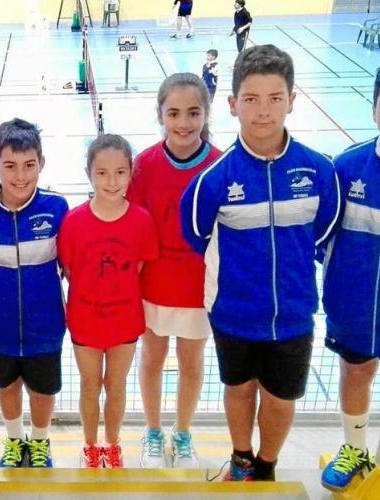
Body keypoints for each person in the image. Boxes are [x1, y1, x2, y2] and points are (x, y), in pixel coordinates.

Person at [180, 45, 341, 481]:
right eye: (251, 99)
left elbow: (323, 231)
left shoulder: (319, 171)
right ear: (233, 105)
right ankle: (241, 459)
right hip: (232, 313)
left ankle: (266, 468)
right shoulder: (212, 181)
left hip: (294, 315)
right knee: (238, 389)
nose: (264, 110)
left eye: (275, 98)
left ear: (293, 100)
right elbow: (197, 236)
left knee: (281, 398)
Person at [127, 72, 222, 469]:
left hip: (199, 287)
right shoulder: (144, 165)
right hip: (152, 284)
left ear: (207, 114)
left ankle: (182, 434)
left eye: (193, 113)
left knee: (191, 362)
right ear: (161, 115)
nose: (184, 123)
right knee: (152, 357)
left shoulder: (219, 165)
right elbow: (131, 226)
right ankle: (153, 432)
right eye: (174, 113)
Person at [0, 118, 69, 469]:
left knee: (43, 389)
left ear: (42, 164)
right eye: (10, 166)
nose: (20, 176)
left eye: (29, 165)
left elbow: (72, 265)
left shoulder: (57, 207)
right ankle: (14, 439)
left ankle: (39, 442)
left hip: (46, 325)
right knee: (7, 385)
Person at [59, 134, 158, 468]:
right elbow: (70, 269)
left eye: (120, 172)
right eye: (102, 173)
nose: (112, 181)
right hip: (85, 320)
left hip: (125, 321)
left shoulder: (142, 220)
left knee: (116, 385)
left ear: (131, 173)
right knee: (90, 385)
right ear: (89, 174)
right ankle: (90, 445)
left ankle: (112, 444)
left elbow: (139, 267)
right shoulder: (73, 221)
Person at [319, 75, 380, 492]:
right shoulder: (346, 167)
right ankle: (355, 449)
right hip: (355, 304)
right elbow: (321, 236)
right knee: (356, 372)